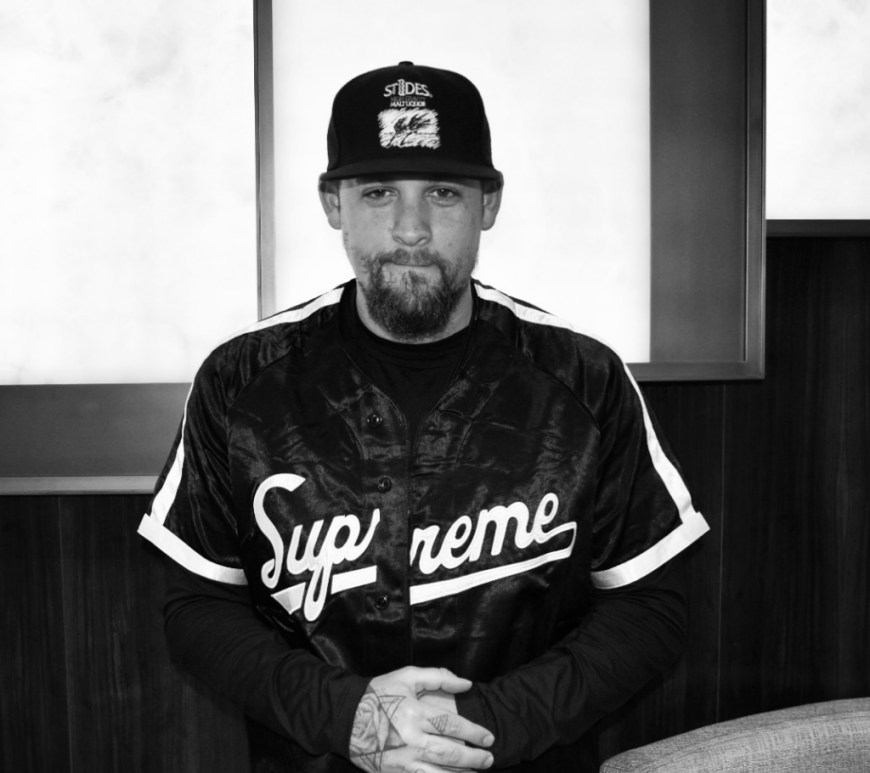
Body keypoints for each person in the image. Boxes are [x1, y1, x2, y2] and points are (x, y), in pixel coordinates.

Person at [138, 61, 709, 773]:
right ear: (333, 204)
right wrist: (350, 716)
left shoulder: (583, 377)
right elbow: (197, 609)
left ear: (488, 204)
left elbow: (649, 609)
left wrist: (478, 727)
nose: (411, 229)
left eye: (443, 192)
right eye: (378, 192)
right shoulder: (240, 380)